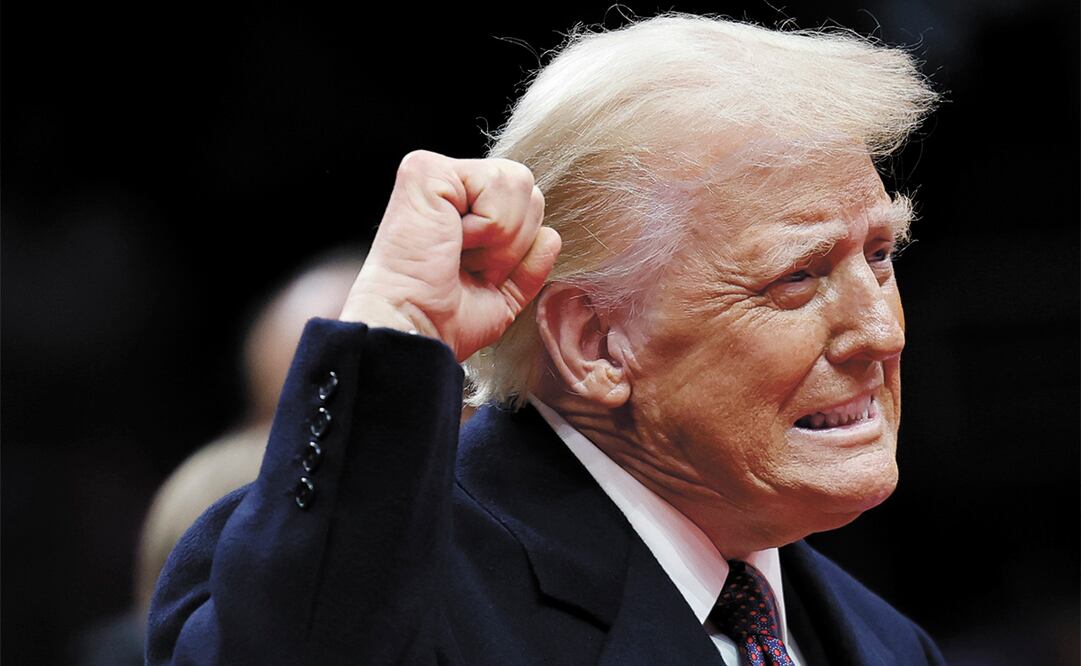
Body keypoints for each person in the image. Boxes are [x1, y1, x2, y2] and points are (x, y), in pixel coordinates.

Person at [147, 13, 943, 665]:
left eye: (879, 256)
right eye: (795, 278)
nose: (879, 332)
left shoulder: (887, 643)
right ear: (595, 343)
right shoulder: (379, 595)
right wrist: (396, 340)